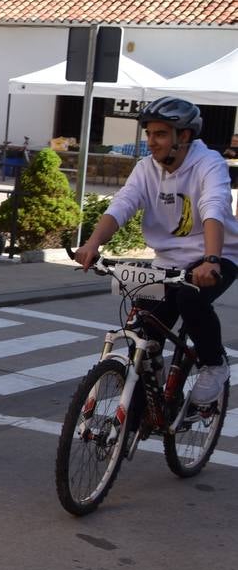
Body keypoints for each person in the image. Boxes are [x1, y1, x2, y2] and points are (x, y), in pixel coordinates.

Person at [75, 96, 238, 417]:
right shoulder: (145, 169)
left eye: (161, 134)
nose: (152, 141)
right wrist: (92, 244)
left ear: (184, 136)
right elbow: (122, 204)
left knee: (191, 301)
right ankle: (141, 412)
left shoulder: (209, 164)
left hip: (218, 256)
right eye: (149, 133)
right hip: (167, 262)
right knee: (143, 329)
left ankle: (214, 365)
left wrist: (211, 260)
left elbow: (214, 206)